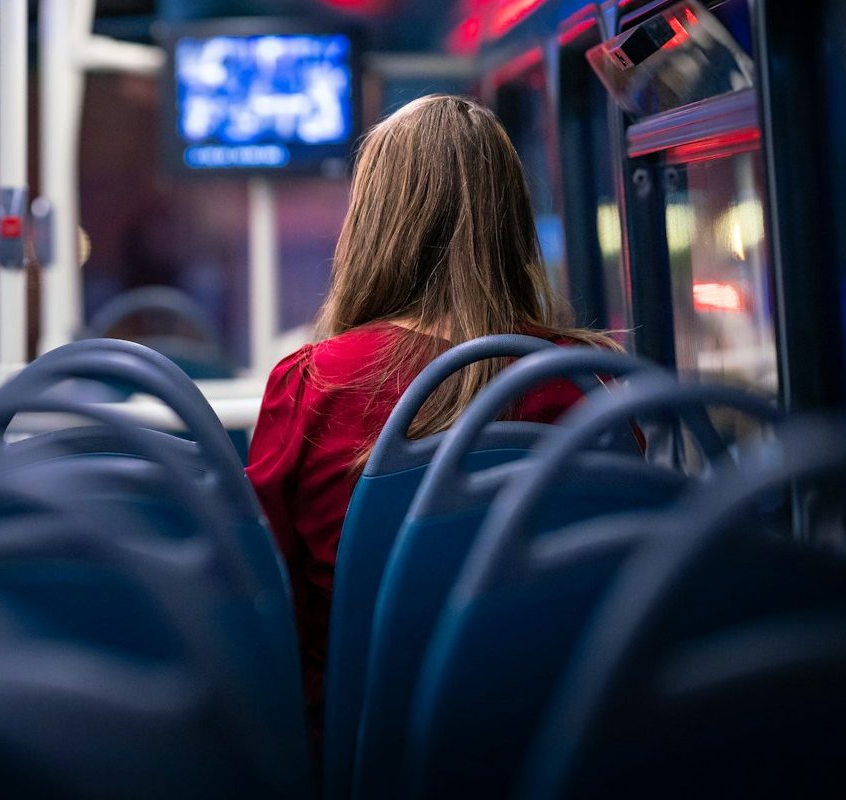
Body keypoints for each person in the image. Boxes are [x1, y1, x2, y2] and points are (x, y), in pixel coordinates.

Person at [246, 94, 620, 735]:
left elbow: (266, 598)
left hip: (360, 738)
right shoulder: (587, 382)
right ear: (512, 219)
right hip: (553, 737)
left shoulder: (314, 384)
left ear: (373, 223)